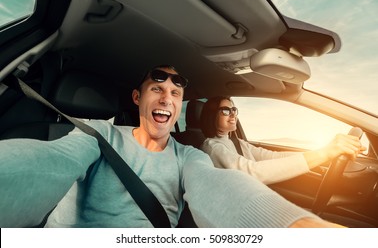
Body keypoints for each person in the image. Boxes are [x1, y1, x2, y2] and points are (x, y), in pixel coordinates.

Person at [0, 65, 350, 228]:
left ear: (180, 106)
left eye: (175, 93)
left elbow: (223, 188)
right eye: (157, 88)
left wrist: (295, 227)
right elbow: (46, 163)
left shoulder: (191, 156)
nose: (166, 97)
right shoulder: (99, 134)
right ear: (138, 98)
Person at [200, 96, 366, 185]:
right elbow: (252, 172)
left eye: (234, 109)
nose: (233, 114)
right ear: (212, 115)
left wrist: (319, 153)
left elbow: (271, 156)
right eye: (225, 111)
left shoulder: (238, 143)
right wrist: (324, 153)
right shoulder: (213, 147)